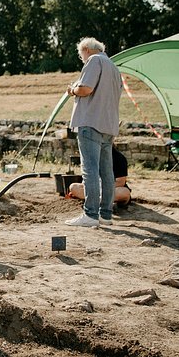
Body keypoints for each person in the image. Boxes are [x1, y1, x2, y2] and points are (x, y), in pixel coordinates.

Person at [65, 37, 123, 227]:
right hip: (109, 125)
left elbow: (86, 89)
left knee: (89, 170)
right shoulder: (114, 68)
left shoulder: (94, 61)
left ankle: (90, 214)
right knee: (107, 172)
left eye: (81, 55)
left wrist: (73, 89)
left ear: (87, 50)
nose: (82, 59)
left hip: (91, 122)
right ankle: (106, 215)